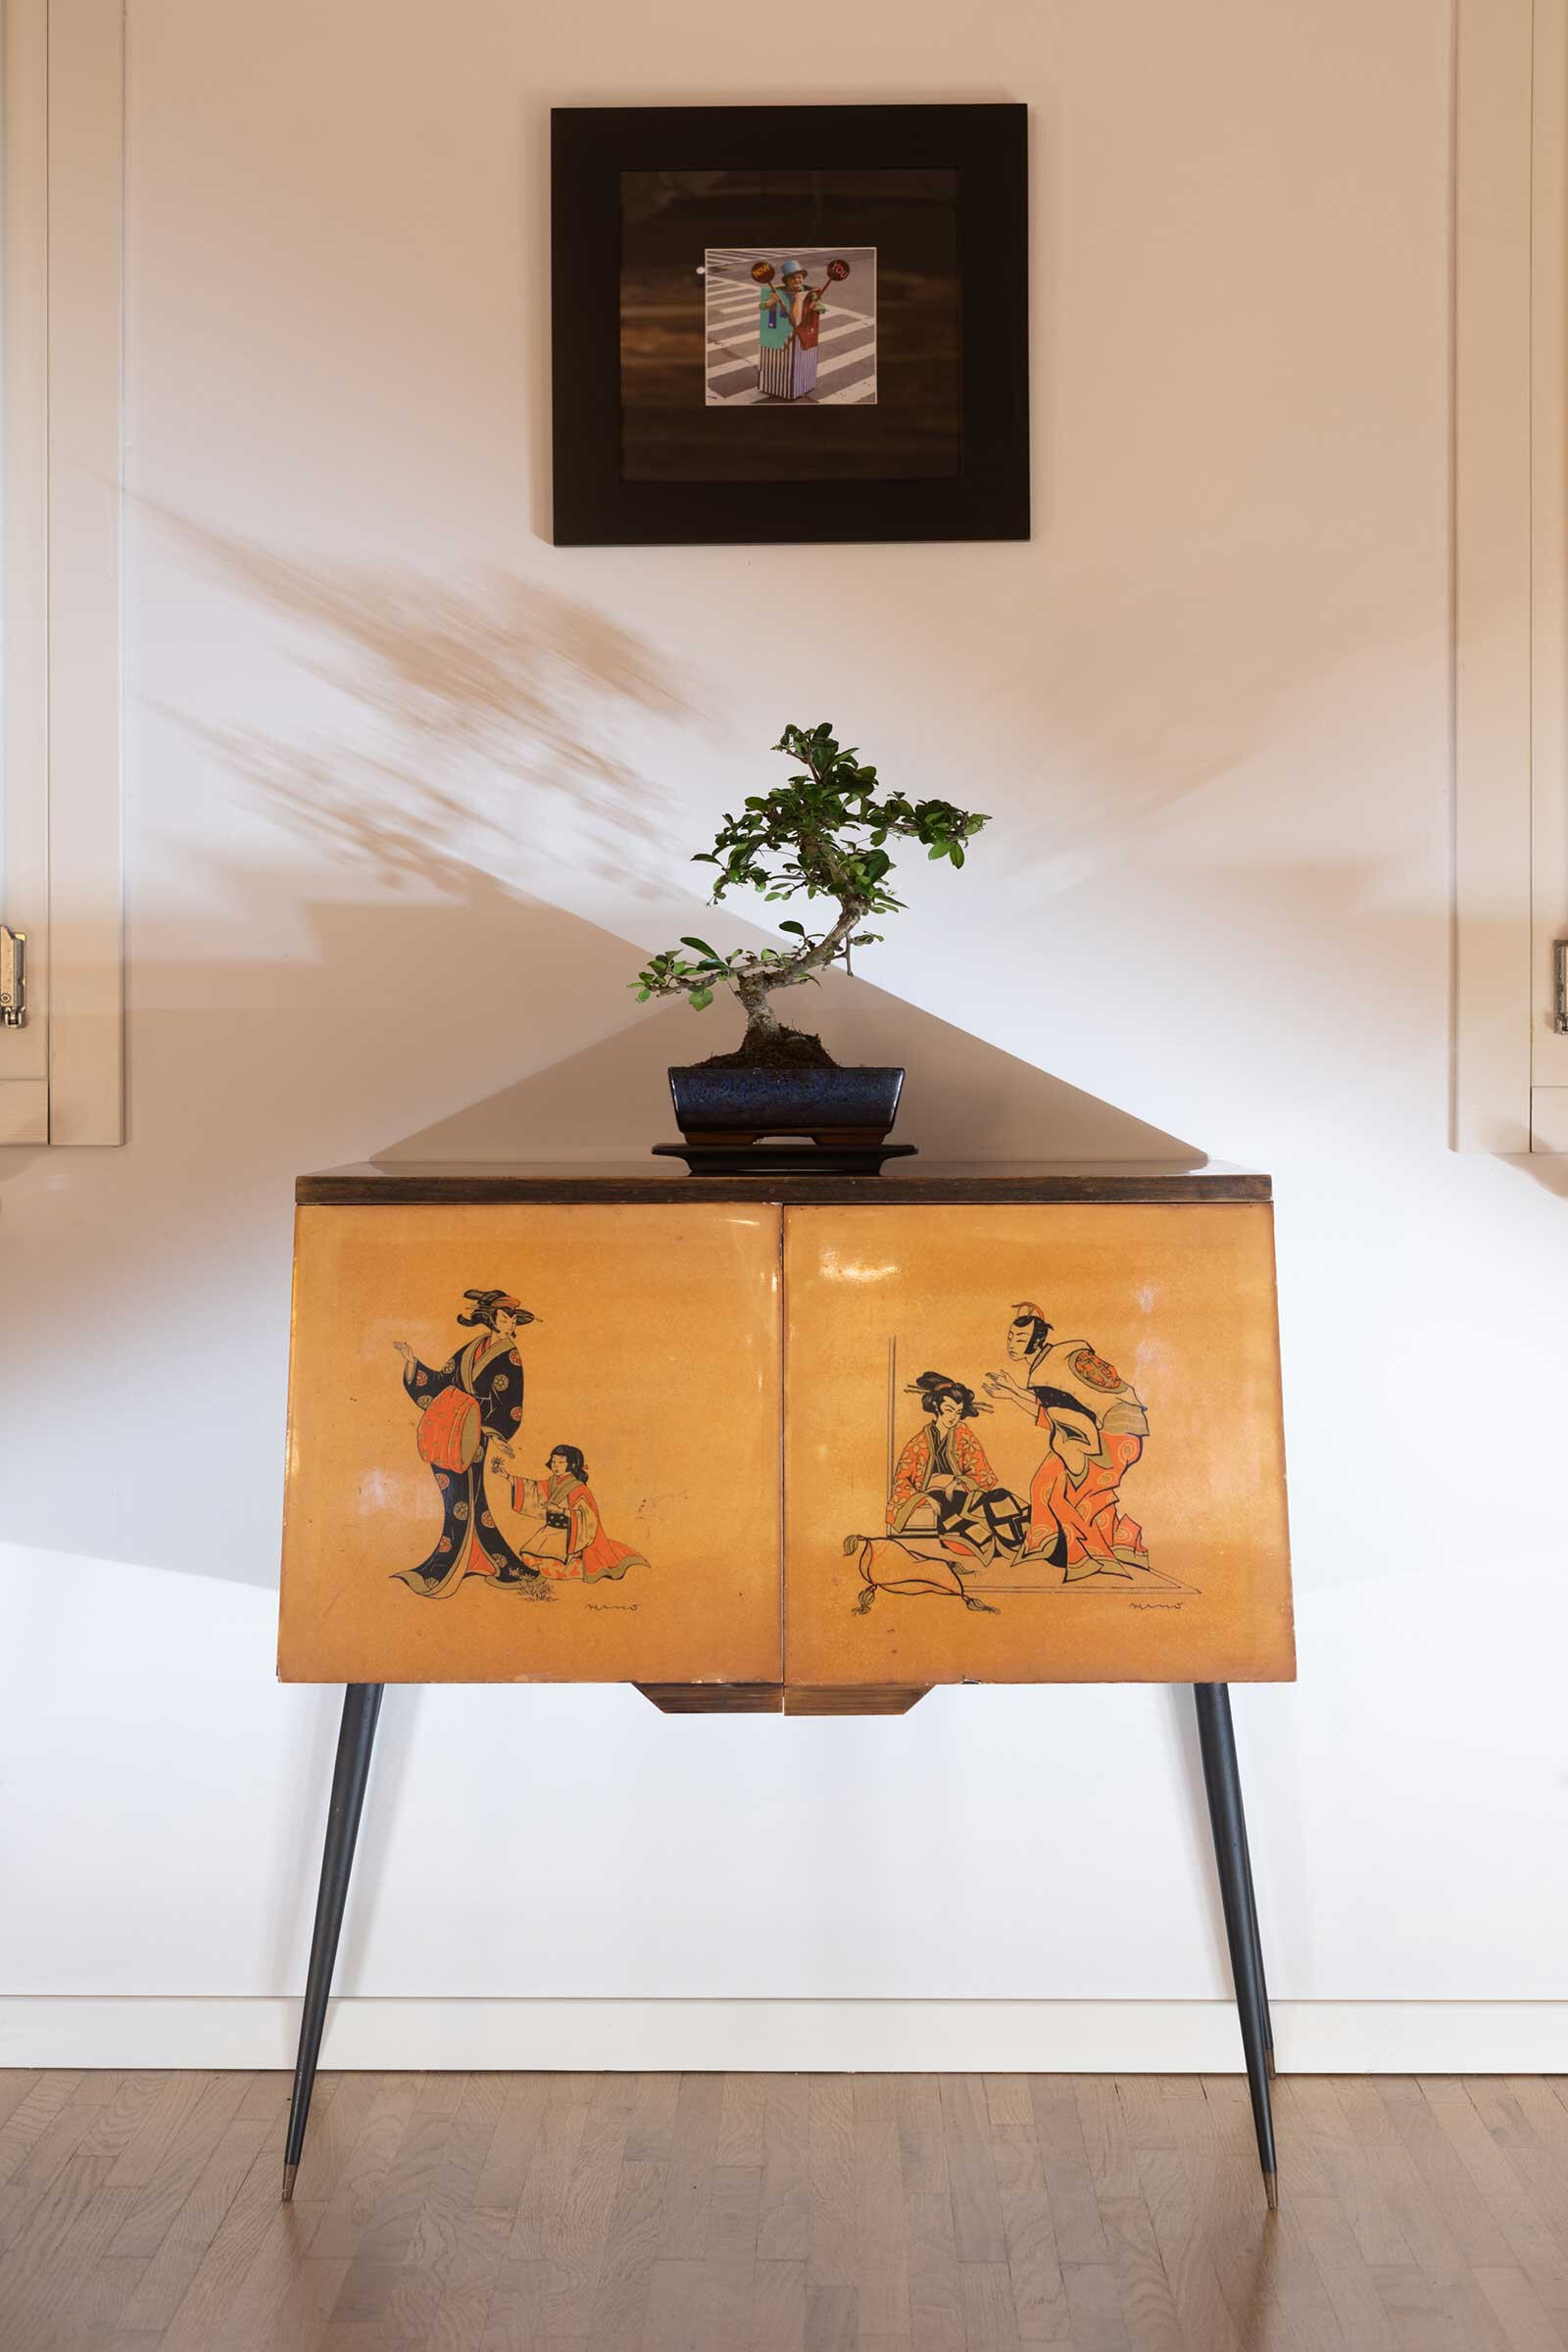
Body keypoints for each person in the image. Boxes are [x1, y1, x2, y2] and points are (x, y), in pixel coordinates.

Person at [391, 1289, 547, 1597]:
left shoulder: (510, 1355)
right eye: (505, 1317)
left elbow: (511, 1400)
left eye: (513, 1319)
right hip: (451, 1425)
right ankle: (484, 1561)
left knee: (466, 1496)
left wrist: (494, 1431)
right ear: (491, 1319)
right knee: (458, 1495)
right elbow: (442, 1381)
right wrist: (412, 1363)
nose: (510, 1323)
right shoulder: (474, 1346)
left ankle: (451, 1566)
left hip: (474, 1429)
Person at [983, 1313, 1151, 1578]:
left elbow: (1062, 1415)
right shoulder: (1054, 1362)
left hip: (1115, 1434)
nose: (1012, 1344)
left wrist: (1014, 1393)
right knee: (1044, 1482)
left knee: (1069, 1494)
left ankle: (1091, 1556)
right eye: (1010, 1337)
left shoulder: (1051, 1366)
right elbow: (1054, 1413)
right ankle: (1063, 1545)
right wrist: (1013, 1393)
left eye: (1021, 1338)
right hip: (1105, 1431)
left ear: (1038, 1340)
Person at [886, 1372, 1026, 1560]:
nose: (954, 1417)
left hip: (963, 1491)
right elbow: (902, 1481)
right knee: (961, 1526)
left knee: (1000, 1497)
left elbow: (981, 1471)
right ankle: (998, 1546)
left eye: (958, 1412)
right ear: (937, 1407)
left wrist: (956, 1482)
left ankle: (1024, 1534)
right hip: (938, 1496)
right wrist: (924, 1498)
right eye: (949, 1410)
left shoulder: (963, 1434)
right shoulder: (918, 1443)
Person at [506, 1445, 649, 1584]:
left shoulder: (578, 1488)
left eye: (561, 1462)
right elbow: (533, 1488)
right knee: (528, 1555)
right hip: (549, 1531)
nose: (555, 1465)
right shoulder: (553, 1482)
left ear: (572, 1464)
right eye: (554, 1461)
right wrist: (507, 1477)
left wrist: (561, 1511)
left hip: (569, 1534)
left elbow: (586, 1516)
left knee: (555, 1564)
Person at [758, 257, 823, 400]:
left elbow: (822, 308)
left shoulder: (811, 293)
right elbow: (761, 306)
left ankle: (801, 386)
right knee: (778, 362)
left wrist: (816, 306)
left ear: (803, 278)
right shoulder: (777, 292)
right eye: (793, 278)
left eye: (799, 277)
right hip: (778, 334)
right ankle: (774, 386)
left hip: (802, 335)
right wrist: (771, 301)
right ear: (787, 281)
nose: (797, 280)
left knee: (800, 363)